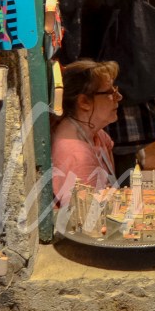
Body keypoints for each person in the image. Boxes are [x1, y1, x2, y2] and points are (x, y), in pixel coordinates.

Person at [51, 60, 122, 207]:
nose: (119, 97)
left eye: (115, 89)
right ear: (84, 102)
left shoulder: (99, 135)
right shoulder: (77, 156)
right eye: (110, 92)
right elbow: (87, 215)